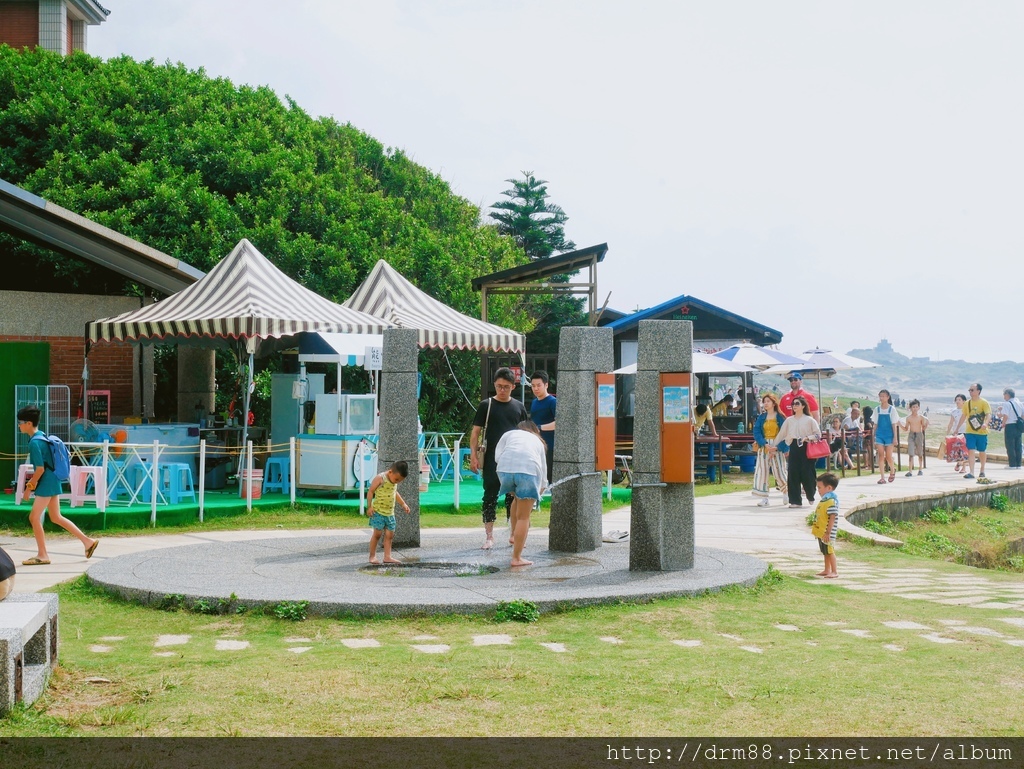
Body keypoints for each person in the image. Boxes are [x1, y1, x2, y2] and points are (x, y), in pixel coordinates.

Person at [17, 407, 99, 566]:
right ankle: (88, 542)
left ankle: (42, 555)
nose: (19, 426)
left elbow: (39, 469)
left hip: (46, 482)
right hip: (53, 479)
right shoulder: (42, 436)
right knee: (56, 517)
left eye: (20, 423)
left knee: (34, 517)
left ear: (28, 423)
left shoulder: (34, 442)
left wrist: (28, 488)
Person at [470, 368, 529, 549]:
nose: (502, 390)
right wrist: (473, 456)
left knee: (514, 497)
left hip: (514, 460)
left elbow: (526, 433)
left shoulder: (519, 407)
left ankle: (513, 534)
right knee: (490, 496)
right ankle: (489, 536)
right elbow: (475, 433)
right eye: (498, 386)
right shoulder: (486, 405)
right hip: (491, 459)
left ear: (513, 386)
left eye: (506, 387)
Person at [495, 421, 548, 567]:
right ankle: (516, 558)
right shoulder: (537, 441)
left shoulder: (509, 434)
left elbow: (497, 456)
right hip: (527, 471)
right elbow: (543, 468)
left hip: (504, 471)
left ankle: (513, 536)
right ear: (534, 430)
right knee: (524, 517)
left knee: (517, 500)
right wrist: (542, 486)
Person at [768, 396, 821, 508]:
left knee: (808, 473)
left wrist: (807, 437)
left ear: (803, 406)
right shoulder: (789, 420)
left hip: (807, 447)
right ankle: (795, 500)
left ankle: (810, 494)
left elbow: (818, 435)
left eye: (797, 403)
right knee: (793, 473)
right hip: (794, 446)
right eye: (793, 404)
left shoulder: (810, 420)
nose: (794, 406)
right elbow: (781, 434)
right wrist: (773, 447)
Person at [366, 461, 410, 565]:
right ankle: (372, 556)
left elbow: (395, 493)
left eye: (399, 481)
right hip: (378, 512)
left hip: (390, 513)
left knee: (390, 535)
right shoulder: (380, 478)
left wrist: (403, 504)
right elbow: (371, 491)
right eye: (396, 479)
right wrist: (369, 506)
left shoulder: (393, 481)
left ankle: (387, 556)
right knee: (377, 534)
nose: (397, 482)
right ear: (390, 472)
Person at [752, 392, 788, 507]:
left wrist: (779, 447)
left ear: (773, 403)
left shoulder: (781, 417)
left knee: (780, 471)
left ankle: (786, 492)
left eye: (768, 401)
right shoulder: (762, 417)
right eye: (764, 402)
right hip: (764, 446)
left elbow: (786, 433)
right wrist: (763, 443)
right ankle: (764, 497)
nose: (766, 404)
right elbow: (756, 431)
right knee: (762, 471)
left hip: (776, 445)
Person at [954, 383, 991, 481]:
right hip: (970, 431)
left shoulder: (984, 402)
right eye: (969, 390)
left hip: (981, 432)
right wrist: (957, 428)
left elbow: (988, 415)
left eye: (972, 390)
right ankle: (971, 472)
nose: (970, 392)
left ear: (978, 391)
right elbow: (963, 416)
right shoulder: (967, 403)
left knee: (982, 451)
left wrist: (985, 424)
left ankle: (982, 470)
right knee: (971, 450)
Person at [811, 472, 840, 579]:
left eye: (819, 487)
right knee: (825, 551)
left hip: (828, 533)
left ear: (829, 488)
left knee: (830, 551)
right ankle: (827, 569)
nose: (818, 490)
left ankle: (834, 571)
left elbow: (832, 517)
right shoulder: (825, 500)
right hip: (822, 532)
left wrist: (828, 532)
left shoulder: (831, 501)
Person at [529, 370, 556, 483]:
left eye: (538, 385)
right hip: (535, 443)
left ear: (546, 385)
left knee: (549, 472)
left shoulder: (552, 402)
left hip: (550, 444)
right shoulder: (534, 402)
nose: (535, 388)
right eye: (533, 386)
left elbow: (558, 423)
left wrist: (539, 428)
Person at [873, 389, 901, 484]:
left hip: (889, 435)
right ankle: (882, 477)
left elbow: (894, 424)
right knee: (881, 455)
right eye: (880, 396)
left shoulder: (891, 409)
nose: (882, 398)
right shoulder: (877, 409)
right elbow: (875, 424)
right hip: (879, 434)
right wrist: (873, 435)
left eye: (884, 396)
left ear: (888, 397)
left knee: (888, 456)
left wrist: (895, 437)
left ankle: (892, 470)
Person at [997, 388, 1024, 470]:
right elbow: (1022, 415)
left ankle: (1012, 464)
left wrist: (1003, 423)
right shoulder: (1020, 403)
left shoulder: (1007, 403)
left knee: (1010, 445)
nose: (1004, 396)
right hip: (1018, 425)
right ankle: (1018, 464)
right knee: (1018, 445)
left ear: (1007, 394)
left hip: (1010, 425)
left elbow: (1006, 415)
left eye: (1004, 394)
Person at [902, 399, 929, 476]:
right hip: (911, 435)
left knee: (920, 453)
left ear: (919, 408)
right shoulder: (908, 418)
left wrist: (926, 424)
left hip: (919, 435)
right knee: (911, 453)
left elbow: (923, 427)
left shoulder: (921, 417)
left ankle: (920, 469)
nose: (915, 408)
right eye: (913, 407)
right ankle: (910, 471)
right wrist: (900, 424)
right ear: (910, 408)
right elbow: (906, 428)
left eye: (916, 407)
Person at [944, 394, 969, 473]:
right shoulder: (954, 411)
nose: (957, 401)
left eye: (959, 400)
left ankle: (964, 468)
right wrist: (947, 433)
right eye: (956, 400)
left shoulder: (967, 410)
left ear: (964, 401)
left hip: (965, 432)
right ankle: (958, 463)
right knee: (957, 450)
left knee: (964, 450)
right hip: (956, 432)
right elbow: (951, 423)